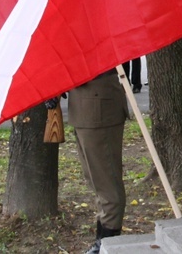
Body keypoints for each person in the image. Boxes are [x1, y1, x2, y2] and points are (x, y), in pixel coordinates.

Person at [64, 69, 129, 254]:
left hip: (98, 104)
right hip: (85, 106)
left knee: (106, 182)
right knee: (96, 181)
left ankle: (108, 244)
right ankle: (103, 241)